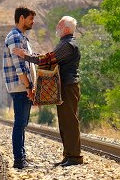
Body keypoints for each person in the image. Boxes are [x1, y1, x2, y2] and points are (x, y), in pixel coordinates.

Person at [14, 16, 83, 167]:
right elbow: (49, 59)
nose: (56, 27)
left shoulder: (68, 45)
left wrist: (24, 55)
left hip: (69, 86)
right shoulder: (65, 43)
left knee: (69, 121)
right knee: (65, 122)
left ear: (65, 29)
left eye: (59, 25)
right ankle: (68, 155)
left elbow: (46, 59)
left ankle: (75, 157)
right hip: (66, 86)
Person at [3, 6, 37, 169]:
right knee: (19, 123)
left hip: (23, 86)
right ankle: (18, 159)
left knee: (22, 123)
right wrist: (28, 87)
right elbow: (19, 67)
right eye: (31, 19)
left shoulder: (21, 37)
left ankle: (21, 156)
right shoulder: (15, 37)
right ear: (22, 18)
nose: (33, 22)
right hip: (20, 87)